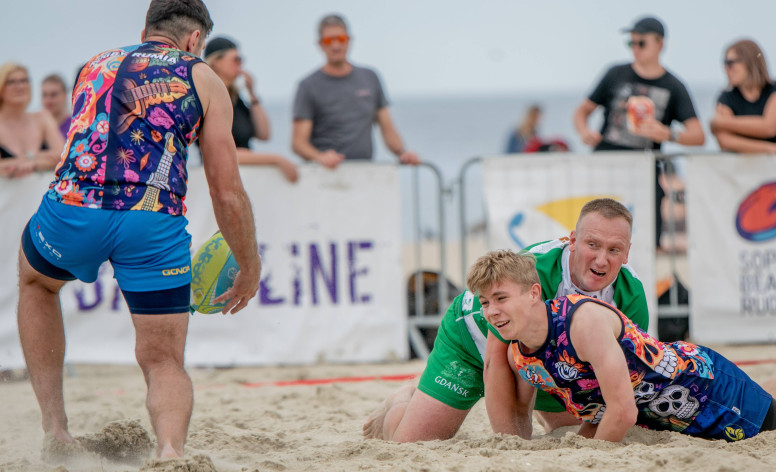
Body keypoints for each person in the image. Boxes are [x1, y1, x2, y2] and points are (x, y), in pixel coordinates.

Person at [17, 0, 260, 460]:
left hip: (75, 207)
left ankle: (56, 431)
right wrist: (248, 264)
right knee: (163, 359)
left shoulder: (94, 64)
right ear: (194, 40)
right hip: (151, 218)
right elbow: (226, 191)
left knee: (35, 282)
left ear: (146, 28)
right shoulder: (202, 76)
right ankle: (170, 453)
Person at [468, 250, 776, 443]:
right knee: (768, 416)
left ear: (534, 293)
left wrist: (587, 457)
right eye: (485, 302)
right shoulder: (519, 350)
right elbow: (585, 405)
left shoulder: (582, 321)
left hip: (705, 387)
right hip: (670, 407)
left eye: (500, 299)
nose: (491, 311)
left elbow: (621, 412)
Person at [363, 198, 649, 442]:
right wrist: (511, 445)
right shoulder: (538, 270)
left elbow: (623, 381)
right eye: (592, 244)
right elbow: (495, 362)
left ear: (626, 253)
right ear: (572, 241)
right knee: (412, 442)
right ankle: (405, 396)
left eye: (613, 250)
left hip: (546, 357)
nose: (601, 260)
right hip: (472, 344)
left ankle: (542, 408)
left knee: (573, 428)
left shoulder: (631, 295)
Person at [573, 16, 704, 249]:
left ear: (660, 44)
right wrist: (584, 131)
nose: (635, 49)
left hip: (644, 173)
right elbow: (582, 111)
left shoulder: (673, 86)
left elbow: (698, 136)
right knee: (592, 232)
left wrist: (668, 134)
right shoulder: (615, 74)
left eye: (641, 43)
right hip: (604, 166)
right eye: (631, 43)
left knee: (643, 239)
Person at [292, 14, 419, 168]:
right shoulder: (308, 86)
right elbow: (298, 143)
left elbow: (387, 126)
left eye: (340, 39)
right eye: (328, 40)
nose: (335, 46)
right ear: (320, 44)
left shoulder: (370, 77)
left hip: (364, 173)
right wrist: (320, 157)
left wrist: (402, 153)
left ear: (349, 40)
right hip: (325, 176)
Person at [204, 35, 298, 182]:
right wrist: (276, 159)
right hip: (221, 177)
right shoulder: (208, 100)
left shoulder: (236, 100)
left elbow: (264, 134)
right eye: (236, 59)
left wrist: (253, 95)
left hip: (243, 176)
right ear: (216, 62)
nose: (240, 65)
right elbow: (221, 153)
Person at [710, 39, 776, 157]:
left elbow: (770, 127)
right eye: (724, 63)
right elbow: (725, 142)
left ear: (749, 61)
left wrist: (722, 122)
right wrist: (773, 148)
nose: (726, 68)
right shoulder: (726, 97)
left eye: (730, 63)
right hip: (743, 170)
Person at [0, 63, 64, 178]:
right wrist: (42, 158)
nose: (20, 86)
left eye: (24, 81)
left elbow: (63, 155)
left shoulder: (42, 117)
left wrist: (31, 162)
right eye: (12, 82)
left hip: (41, 193)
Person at [40, 73, 73, 139]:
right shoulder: (36, 128)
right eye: (45, 95)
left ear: (65, 95)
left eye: (54, 95)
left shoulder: (74, 127)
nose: (48, 100)